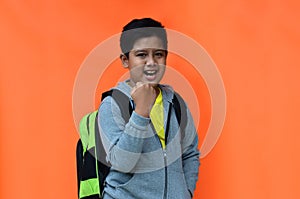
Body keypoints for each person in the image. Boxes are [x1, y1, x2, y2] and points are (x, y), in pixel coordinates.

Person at [98, 18, 200, 199]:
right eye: (141, 55)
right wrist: (141, 113)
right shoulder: (113, 103)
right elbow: (122, 162)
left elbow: (190, 153)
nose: (151, 62)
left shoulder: (176, 102)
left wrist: (186, 193)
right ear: (125, 60)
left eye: (158, 54)